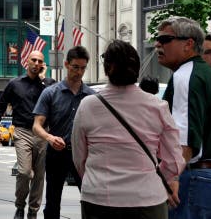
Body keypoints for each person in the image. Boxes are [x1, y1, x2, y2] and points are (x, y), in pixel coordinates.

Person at [72, 40, 184, 219]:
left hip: (99, 198)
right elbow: (174, 160)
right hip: (147, 199)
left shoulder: (88, 106)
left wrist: (96, 179)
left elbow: (79, 157)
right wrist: (156, 178)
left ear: (107, 68)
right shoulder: (157, 106)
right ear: (137, 68)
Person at [156, 16, 211, 219]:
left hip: (193, 177)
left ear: (188, 44)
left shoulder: (185, 75)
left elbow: (183, 133)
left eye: (166, 40)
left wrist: (173, 176)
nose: (158, 44)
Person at [0, 50, 55, 219]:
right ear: (27, 61)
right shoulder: (15, 84)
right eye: (33, 60)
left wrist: (42, 80)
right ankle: (20, 206)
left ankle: (33, 211)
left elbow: (55, 104)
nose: (36, 63)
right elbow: (0, 105)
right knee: (25, 172)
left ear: (43, 65)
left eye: (40, 61)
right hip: (22, 131)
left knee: (39, 175)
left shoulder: (49, 84)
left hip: (43, 133)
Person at [32, 46, 95, 219]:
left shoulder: (91, 96)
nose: (79, 72)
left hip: (83, 154)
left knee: (90, 199)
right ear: (67, 64)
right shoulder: (51, 93)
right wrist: (50, 138)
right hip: (57, 152)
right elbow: (37, 125)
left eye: (83, 68)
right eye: (75, 67)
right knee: (52, 201)